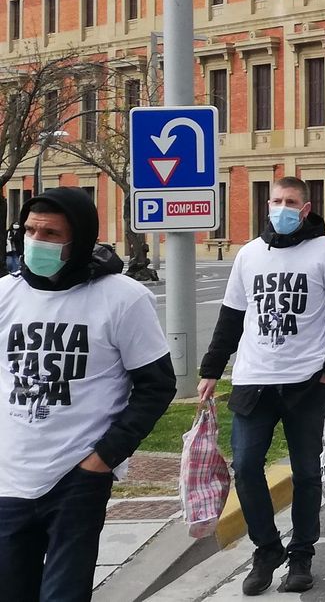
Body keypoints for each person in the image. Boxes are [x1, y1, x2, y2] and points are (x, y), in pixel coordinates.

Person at [0, 188, 176, 602]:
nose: (36, 241)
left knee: (64, 594)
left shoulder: (122, 298)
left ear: (78, 239)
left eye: (50, 233)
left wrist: (103, 459)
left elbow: (156, 386)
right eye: (30, 231)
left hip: (76, 477)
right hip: (10, 479)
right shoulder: (5, 295)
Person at [198, 176, 325, 595]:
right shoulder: (249, 255)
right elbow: (231, 317)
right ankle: (267, 548)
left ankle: (302, 554)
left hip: (307, 381)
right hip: (254, 380)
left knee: (306, 472)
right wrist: (212, 368)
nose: (281, 208)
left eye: (290, 202)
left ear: (305, 209)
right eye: (275, 201)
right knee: (247, 467)